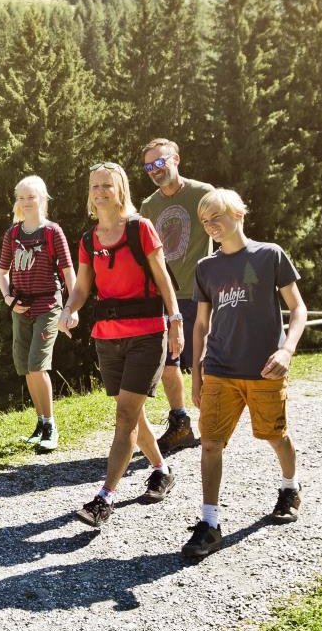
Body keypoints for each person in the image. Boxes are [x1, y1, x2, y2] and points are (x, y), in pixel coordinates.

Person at [180, 188, 308, 562]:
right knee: (210, 443)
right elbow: (201, 325)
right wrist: (197, 377)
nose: (211, 225)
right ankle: (209, 523)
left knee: (275, 435)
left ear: (238, 213)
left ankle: (289, 487)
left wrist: (287, 350)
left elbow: (298, 309)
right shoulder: (206, 268)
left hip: (265, 369)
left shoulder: (270, 255)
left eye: (216, 216)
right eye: (205, 221)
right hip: (220, 368)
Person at [58, 162, 186, 527]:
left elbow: (164, 280)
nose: (100, 192)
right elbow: (83, 288)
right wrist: (70, 310)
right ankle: (161, 469)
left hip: (147, 333)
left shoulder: (140, 229)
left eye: (107, 186)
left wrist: (174, 322)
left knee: (125, 416)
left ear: (121, 190)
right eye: (95, 186)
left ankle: (104, 498)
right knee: (135, 415)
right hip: (107, 338)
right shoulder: (88, 239)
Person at [137, 138, 216, 456]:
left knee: (205, 363)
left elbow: (225, 231)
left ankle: (212, 424)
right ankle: (181, 423)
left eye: (161, 162)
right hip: (165, 296)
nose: (156, 170)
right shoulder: (148, 206)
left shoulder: (202, 193)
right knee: (167, 363)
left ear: (177, 159)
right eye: (149, 166)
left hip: (199, 292)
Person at [0, 176, 75, 452]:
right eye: (22, 197)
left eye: (31, 197)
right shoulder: (13, 234)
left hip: (48, 306)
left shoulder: (53, 232)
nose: (26, 202)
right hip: (20, 307)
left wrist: (71, 308)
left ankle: (51, 424)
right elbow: (2, 273)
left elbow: (68, 272)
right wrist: (9, 300)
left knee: (36, 365)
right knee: (26, 368)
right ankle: (40, 422)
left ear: (42, 198)